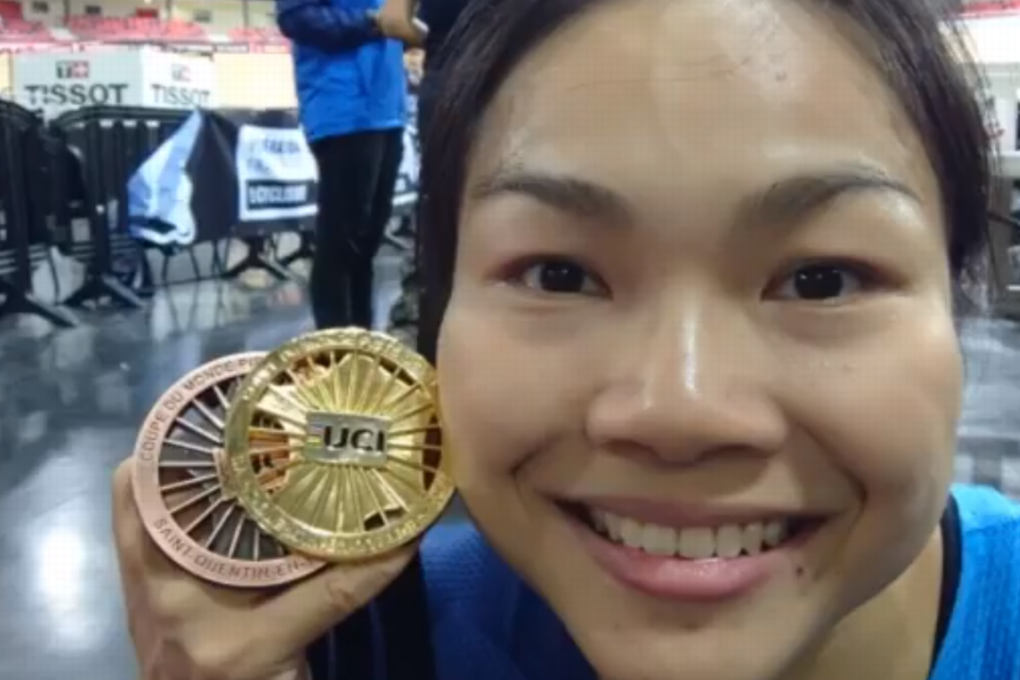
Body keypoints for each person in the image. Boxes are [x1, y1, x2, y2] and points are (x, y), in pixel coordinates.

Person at [112, 1, 1020, 679]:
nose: (679, 411)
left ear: (958, 306)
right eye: (560, 274)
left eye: (822, 280)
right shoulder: (361, 645)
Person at [276, 0, 425, 330]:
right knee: (341, 242)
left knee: (367, 242)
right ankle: (335, 353)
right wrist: (374, 24)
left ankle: (360, 340)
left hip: (388, 109)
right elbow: (296, 18)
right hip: (342, 108)